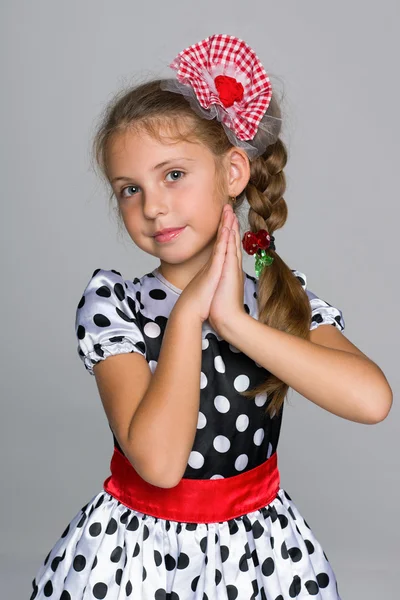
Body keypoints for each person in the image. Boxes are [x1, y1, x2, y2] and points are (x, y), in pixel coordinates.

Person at [30, 33, 392, 600]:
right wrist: (186, 319)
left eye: (173, 174)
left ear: (233, 174)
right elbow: (160, 464)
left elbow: (372, 401)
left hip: (260, 557)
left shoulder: (277, 298)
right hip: (138, 556)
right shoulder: (114, 304)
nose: (151, 205)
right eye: (129, 189)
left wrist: (236, 323)